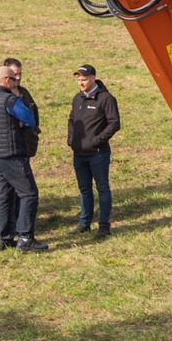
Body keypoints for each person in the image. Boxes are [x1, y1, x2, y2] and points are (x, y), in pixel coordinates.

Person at [0, 64, 46, 251]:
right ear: (6, 80)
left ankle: (4, 238)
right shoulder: (10, 100)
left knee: (4, 196)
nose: (16, 81)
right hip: (12, 155)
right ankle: (26, 238)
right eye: (13, 78)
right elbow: (29, 118)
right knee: (29, 194)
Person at [65, 63, 121, 238]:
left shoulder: (106, 99)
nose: (81, 83)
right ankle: (85, 223)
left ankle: (104, 226)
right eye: (79, 80)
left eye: (84, 79)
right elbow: (71, 120)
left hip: (98, 154)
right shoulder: (77, 98)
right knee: (84, 190)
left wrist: (97, 141)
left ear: (93, 78)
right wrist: (71, 140)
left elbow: (114, 123)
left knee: (102, 189)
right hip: (79, 154)